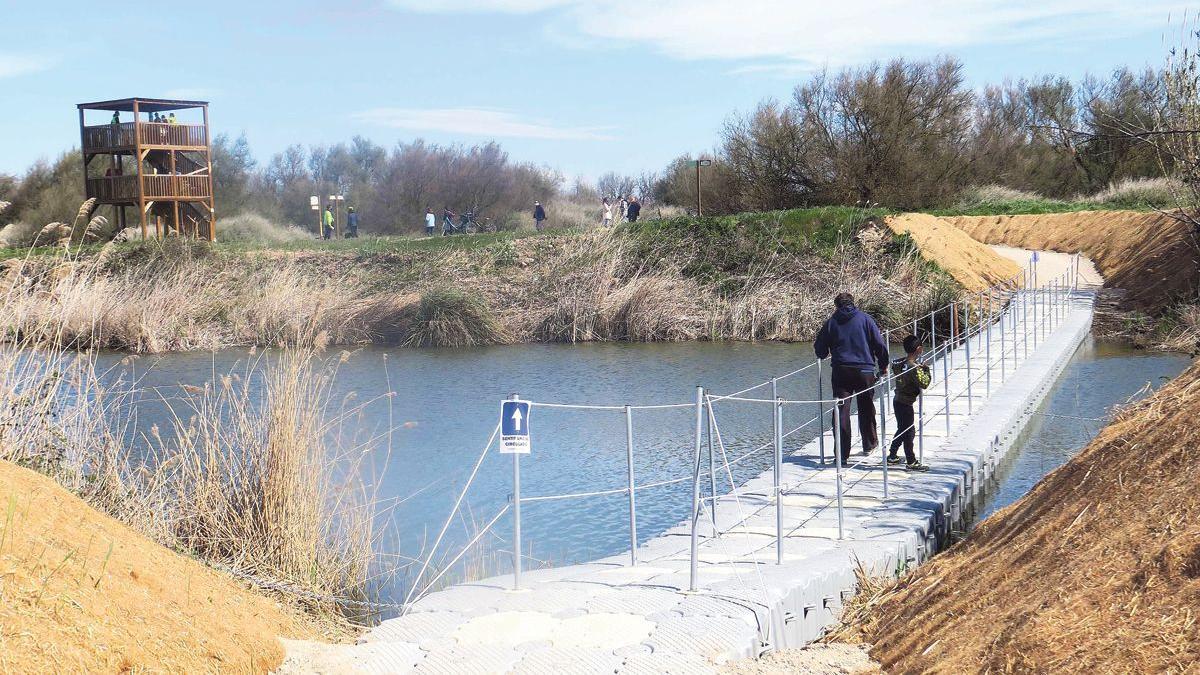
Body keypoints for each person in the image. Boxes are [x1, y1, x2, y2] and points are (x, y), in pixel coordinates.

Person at [814, 292, 889, 462]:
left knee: (841, 410)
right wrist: (883, 365)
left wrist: (827, 351)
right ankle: (869, 444)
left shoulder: (831, 322)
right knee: (866, 406)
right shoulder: (865, 319)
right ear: (853, 303)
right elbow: (879, 344)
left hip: (841, 371)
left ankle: (841, 455)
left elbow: (820, 350)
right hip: (865, 371)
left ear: (837, 305)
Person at [887, 334, 931, 472]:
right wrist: (926, 370)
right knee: (909, 431)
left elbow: (899, 365)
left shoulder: (899, 363)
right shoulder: (914, 368)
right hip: (906, 404)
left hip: (898, 401)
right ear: (919, 349)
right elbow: (924, 383)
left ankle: (892, 455)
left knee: (902, 428)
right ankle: (911, 461)